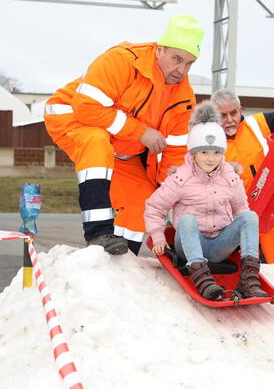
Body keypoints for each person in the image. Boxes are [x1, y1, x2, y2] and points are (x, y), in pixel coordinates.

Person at [43, 14, 204, 255]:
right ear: (160, 50)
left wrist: (171, 194)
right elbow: (86, 107)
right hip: (73, 117)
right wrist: (141, 132)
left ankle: (122, 257)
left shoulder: (183, 97)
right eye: (176, 59)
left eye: (189, 63)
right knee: (96, 142)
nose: (181, 69)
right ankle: (98, 233)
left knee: (143, 195)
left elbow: (174, 152)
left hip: (122, 147)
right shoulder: (123, 60)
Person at [144, 101, 267, 301]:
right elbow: (154, 207)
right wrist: (158, 236)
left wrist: (241, 238)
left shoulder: (230, 177)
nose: (211, 159)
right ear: (193, 152)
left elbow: (240, 209)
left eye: (217, 152)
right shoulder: (181, 178)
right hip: (189, 245)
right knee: (187, 219)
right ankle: (202, 279)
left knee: (249, 216)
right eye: (204, 152)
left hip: (219, 246)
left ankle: (248, 278)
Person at [210, 89, 274, 264]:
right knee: (243, 275)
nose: (230, 120)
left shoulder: (257, 124)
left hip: (273, 218)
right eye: (223, 115)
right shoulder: (207, 143)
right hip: (234, 225)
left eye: (233, 113)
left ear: (240, 110)